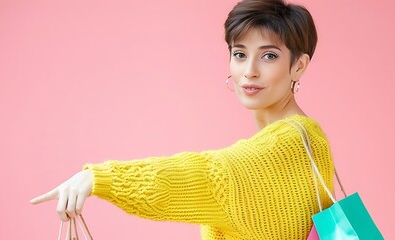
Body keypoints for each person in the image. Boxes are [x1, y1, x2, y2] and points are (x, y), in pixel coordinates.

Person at [31, 0, 335, 239]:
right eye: (240, 54)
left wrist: (99, 178)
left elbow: (207, 174)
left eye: (269, 56)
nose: (249, 71)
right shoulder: (310, 138)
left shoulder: (283, 146)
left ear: (298, 66)